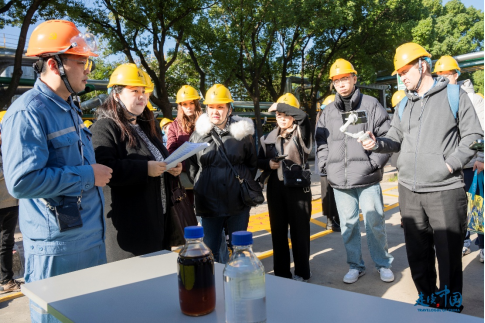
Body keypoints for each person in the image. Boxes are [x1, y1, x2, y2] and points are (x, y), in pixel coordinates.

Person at [1, 20, 112, 322]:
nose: (88, 69)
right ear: (54, 63)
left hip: (89, 239)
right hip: (57, 249)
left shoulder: (68, 107)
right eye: (81, 61)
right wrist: (89, 176)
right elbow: (22, 182)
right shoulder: (28, 112)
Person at [359, 43, 483, 312]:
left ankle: (450, 308)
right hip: (409, 191)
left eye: (405, 71)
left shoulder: (454, 95)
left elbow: (475, 138)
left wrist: (449, 166)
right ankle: (428, 301)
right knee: (418, 254)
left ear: (422, 65)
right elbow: (395, 138)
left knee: (448, 256)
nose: (402, 77)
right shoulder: (404, 104)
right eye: (399, 73)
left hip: (445, 189)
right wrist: (376, 142)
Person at [91, 63, 182, 262]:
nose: (142, 96)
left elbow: (159, 159)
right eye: (134, 91)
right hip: (131, 227)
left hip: (159, 220)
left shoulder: (147, 125)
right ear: (116, 94)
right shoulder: (104, 127)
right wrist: (144, 169)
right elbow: (104, 168)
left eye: (144, 91)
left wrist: (171, 167)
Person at [315, 58, 394, 284]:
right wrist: (325, 167)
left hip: (367, 177)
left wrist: (375, 163)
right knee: (348, 226)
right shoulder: (328, 112)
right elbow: (321, 143)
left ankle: (383, 263)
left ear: (354, 78)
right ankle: (355, 266)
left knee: (375, 223)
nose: (341, 83)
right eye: (336, 80)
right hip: (340, 180)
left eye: (345, 78)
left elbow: (386, 136)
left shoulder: (371, 105)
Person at [188, 84, 257, 263]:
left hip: (238, 202)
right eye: (211, 107)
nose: (215, 111)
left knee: (240, 248)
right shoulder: (197, 135)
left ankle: (238, 282)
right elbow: (192, 167)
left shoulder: (243, 134)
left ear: (229, 109)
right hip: (208, 203)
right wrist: (202, 186)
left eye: (220, 107)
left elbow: (252, 164)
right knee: (210, 250)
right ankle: (215, 286)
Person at [434, 55, 484, 262]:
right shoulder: (439, 100)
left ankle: (482, 245)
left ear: (456, 74)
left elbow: (481, 131)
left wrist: (481, 157)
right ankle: (463, 242)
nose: (443, 80)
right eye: (439, 77)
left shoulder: (474, 99)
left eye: (447, 76)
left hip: (474, 166)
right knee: (457, 209)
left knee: (477, 206)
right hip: (451, 166)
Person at [258, 93, 312, 282]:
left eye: (287, 114)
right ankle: (281, 273)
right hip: (275, 189)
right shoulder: (267, 137)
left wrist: (278, 105)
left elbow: (303, 117)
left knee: (300, 233)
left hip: (298, 189)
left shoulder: (302, 132)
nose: (282, 118)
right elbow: (258, 161)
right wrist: (268, 164)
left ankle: (302, 272)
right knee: (278, 232)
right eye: (279, 114)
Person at [0, 120, 22, 294]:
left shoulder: (6, 149)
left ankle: (6, 279)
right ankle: (5, 279)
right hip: (2, 203)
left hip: (11, 202)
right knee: (3, 242)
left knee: (7, 242)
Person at [317, 94, 340, 232]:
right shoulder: (324, 122)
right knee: (330, 194)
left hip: (329, 163)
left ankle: (332, 220)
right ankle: (332, 221)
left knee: (329, 194)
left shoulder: (322, 120)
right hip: (328, 163)